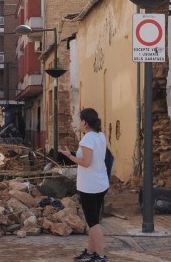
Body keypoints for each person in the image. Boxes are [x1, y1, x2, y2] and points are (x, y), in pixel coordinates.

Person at [59, 108, 109, 262]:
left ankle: (100, 256)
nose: (79, 123)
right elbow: (91, 159)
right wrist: (74, 154)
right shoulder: (100, 135)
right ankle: (90, 252)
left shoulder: (87, 139)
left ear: (85, 123)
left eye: (80, 120)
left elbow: (86, 163)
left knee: (93, 222)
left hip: (90, 186)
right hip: (100, 183)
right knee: (93, 220)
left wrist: (69, 156)